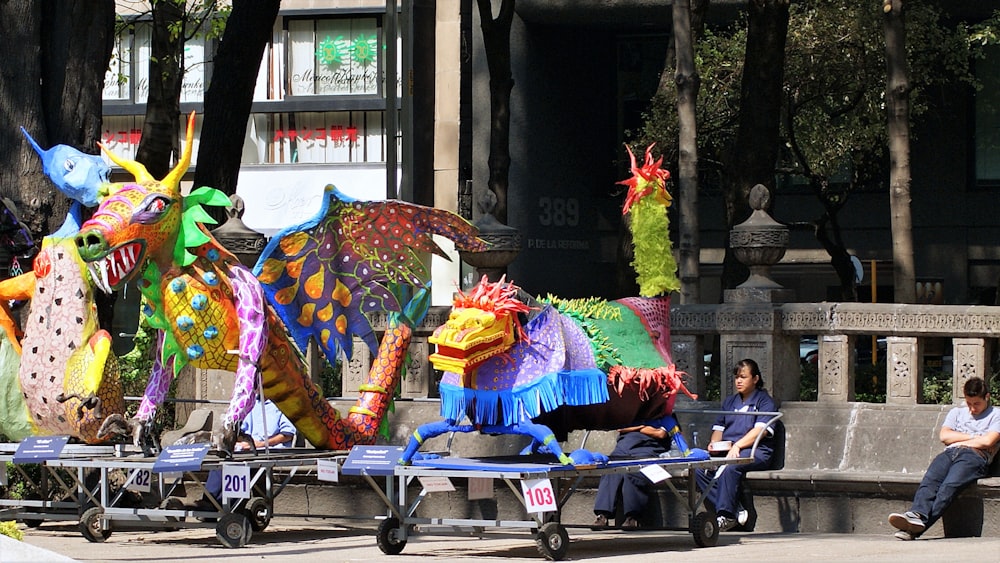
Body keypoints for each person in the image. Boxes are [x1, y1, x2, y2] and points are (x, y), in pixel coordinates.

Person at [888, 376, 1000, 541]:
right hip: (950, 452)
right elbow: (944, 436)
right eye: (969, 403)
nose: (972, 409)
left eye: (977, 404)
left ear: (987, 397)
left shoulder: (996, 414)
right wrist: (975, 438)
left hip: (975, 457)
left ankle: (915, 528)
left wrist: (961, 439)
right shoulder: (957, 412)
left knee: (948, 488)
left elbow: (988, 441)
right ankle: (917, 514)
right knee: (930, 481)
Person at [696, 358, 777, 533]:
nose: (739, 381)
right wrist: (714, 444)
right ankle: (734, 507)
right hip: (727, 451)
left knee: (730, 467)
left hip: (755, 451)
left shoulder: (764, 401)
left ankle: (727, 515)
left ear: (755, 379)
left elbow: (761, 431)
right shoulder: (729, 402)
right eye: (736, 377)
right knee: (699, 469)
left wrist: (738, 446)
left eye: (743, 377)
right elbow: (719, 428)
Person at [203, 397, 296, 503]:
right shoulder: (251, 403)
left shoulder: (283, 405)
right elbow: (241, 430)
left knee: (240, 466)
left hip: (270, 448)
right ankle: (208, 501)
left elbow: (287, 434)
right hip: (248, 448)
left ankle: (224, 504)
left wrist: (261, 444)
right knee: (219, 464)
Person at [592, 414, 676, 530]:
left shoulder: (666, 416)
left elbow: (660, 434)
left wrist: (636, 427)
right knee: (610, 470)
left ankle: (632, 517)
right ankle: (602, 515)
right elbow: (620, 428)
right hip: (623, 448)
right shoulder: (632, 411)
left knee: (634, 472)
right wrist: (645, 427)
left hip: (647, 449)